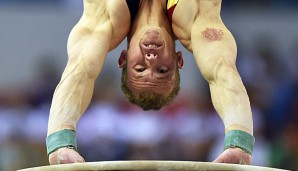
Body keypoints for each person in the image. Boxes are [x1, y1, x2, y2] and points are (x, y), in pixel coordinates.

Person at [46, 0, 254, 165]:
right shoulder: (196, 17)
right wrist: (239, 142)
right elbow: (221, 71)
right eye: (162, 71)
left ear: (124, 59)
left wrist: (60, 143)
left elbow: (80, 70)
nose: (151, 59)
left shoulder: (105, 18)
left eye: (140, 69)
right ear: (178, 60)